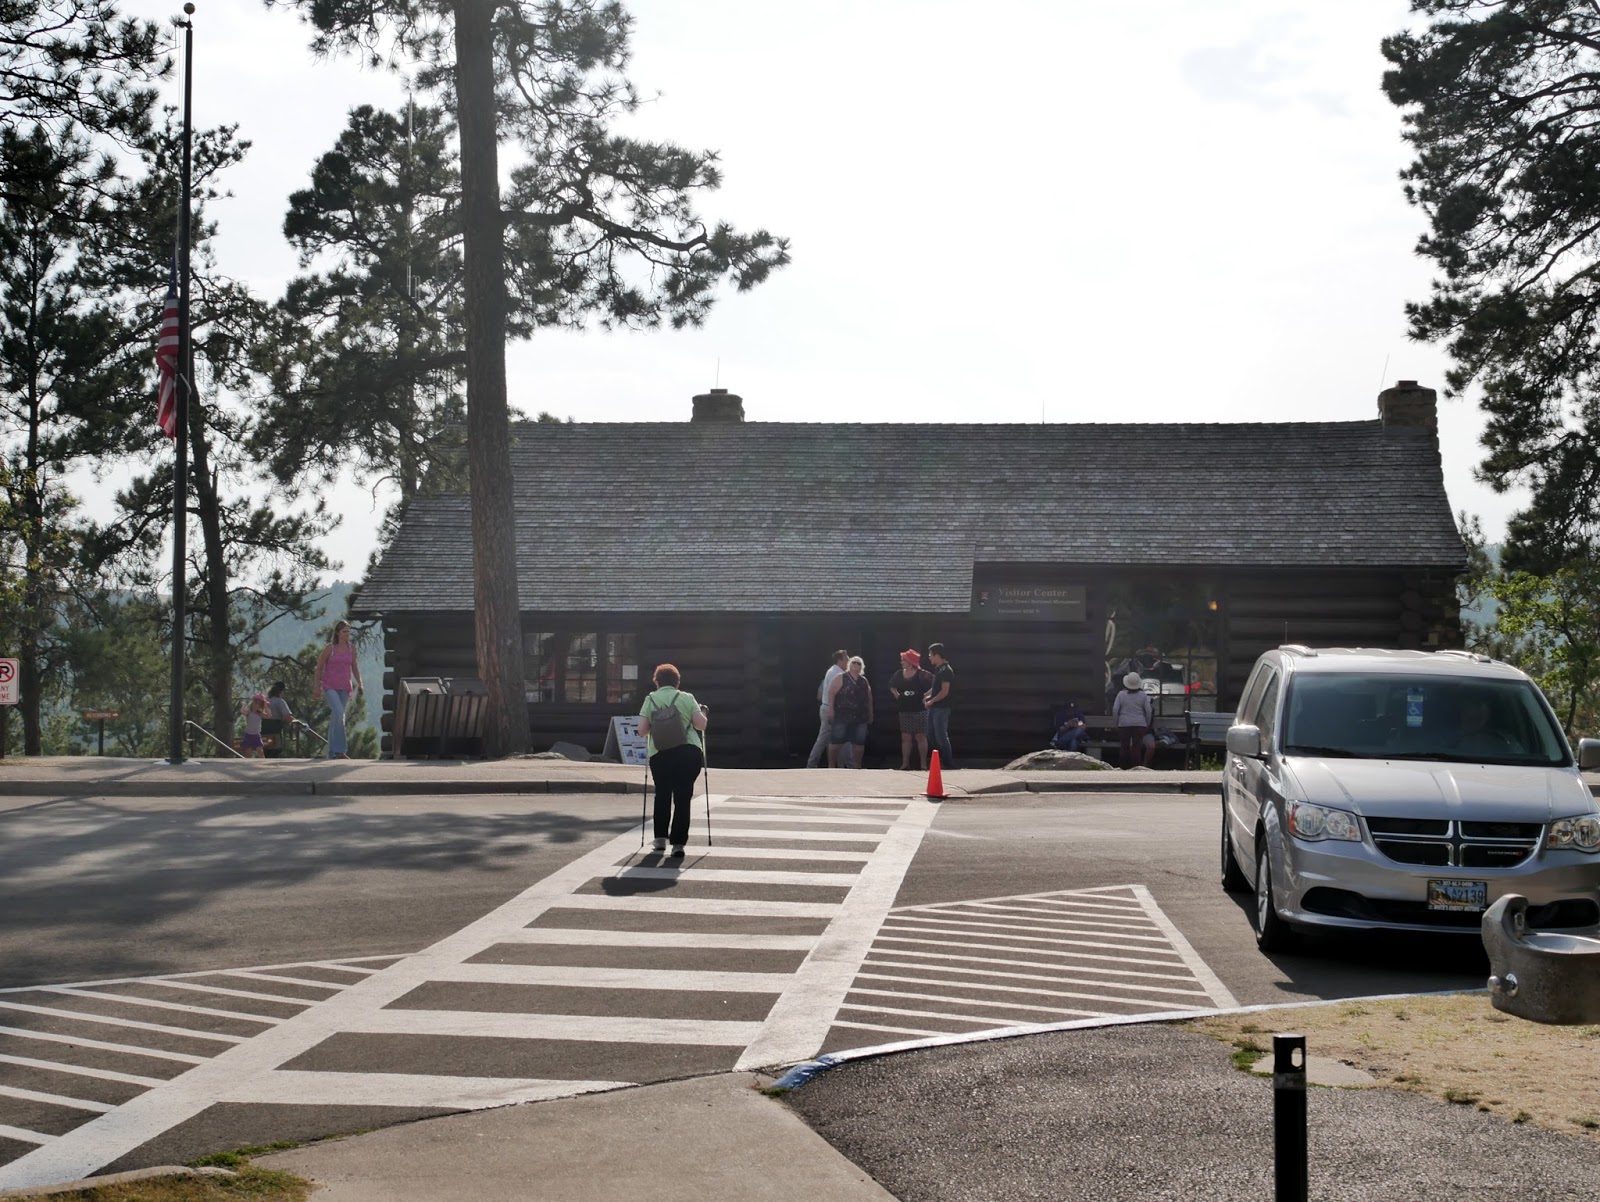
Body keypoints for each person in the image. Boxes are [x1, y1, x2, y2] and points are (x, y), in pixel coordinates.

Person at [636, 663, 709, 856]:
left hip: (660, 753)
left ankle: (660, 839)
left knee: (662, 794)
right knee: (683, 797)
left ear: (657, 682)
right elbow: (701, 726)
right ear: (677, 682)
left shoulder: (650, 699)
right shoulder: (687, 698)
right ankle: (678, 844)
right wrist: (702, 713)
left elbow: (642, 730)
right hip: (688, 752)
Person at [315, 619, 364, 760]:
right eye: (344, 631)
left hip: (344, 687)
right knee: (339, 712)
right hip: (330, 686)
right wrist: (316, 686)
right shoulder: (330, 648)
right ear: (337, 632)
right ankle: (340, 751)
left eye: (348, 631)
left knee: (337, 718)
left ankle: (331, 753)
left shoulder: (351, 648)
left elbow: (354, 667)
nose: (347, 634)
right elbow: (319, 667)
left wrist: (360, 683)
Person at [888, 649, 933, 770]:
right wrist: (896, 694)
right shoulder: (898, 674)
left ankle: (923, 764)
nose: (901, 662)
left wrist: (926, 696)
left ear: (910, 661)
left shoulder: (922, 673)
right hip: (904, 709)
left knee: (920, 737)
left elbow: (936, 684)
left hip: (919, 709)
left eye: (904, 660)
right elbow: (892, 685)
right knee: (906, 738)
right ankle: (905, 763)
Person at [827, 655, 874, 769]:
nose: (856, 665)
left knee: (859, 742)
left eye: (858, 663)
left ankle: (857, 766)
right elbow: (831, 693)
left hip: (860, 716)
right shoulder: (841, 677)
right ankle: (831, 765)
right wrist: (831, 709)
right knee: (836, 741)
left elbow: (869, 698)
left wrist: (870, 713)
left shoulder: (864, 681)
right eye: (854, 662)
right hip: (842, 715)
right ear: (849, 664)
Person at [807, 650, 850, 768]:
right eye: (846, 658)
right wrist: (833, 709)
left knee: (834, 738)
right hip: (831, 709)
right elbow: (833, 693)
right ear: (840, 660)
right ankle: (811, 764)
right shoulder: (836, 673)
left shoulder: (835, 671)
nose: (848, 661)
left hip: (830, 708)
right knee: (826, 739)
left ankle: (842, 765)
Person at [1112, 671, 1155, 767]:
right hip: (1140, 724)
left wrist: (1116, 723)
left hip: (1124, 723)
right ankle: (1136, 767)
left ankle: (1123, 767)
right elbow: (1148, 711)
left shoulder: (1121, 694)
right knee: (1136, 746)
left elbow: (1115, 710)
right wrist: (1146, 723)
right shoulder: (1143, 695)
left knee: (1124, 746)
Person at [923, 642, 955, 769]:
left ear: (937, 655)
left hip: (942, 708)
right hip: (935, 707)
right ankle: (939, 760)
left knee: (941, 736)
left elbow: (944, 691)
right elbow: (936, 688)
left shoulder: (946, 670)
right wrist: (927, 694)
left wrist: (931, 701)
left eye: (931, 655)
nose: (929, 657)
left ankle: (948, 763)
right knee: (931, 734)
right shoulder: (938, 669)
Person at [264, 681, 294, 759]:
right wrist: (298, 723)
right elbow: (287, 716)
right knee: (274, 751)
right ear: (281, 691)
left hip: (262, 729)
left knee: (265, 750)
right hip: (274, 730)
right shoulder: (280, 701)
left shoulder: (264, 700)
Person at [240, 693, 269, 759]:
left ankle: (263, 765)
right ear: (253, 703)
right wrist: (243, 705)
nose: (257, 706)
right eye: (256, 704)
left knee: (260, 752)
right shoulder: (249, 712)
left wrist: (266, 707)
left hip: (256, 735)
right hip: (248, 735)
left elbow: (268, 716)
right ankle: (248, 766)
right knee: (248, 754)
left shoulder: (260, 713)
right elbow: (242, 712)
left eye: (260, 705)